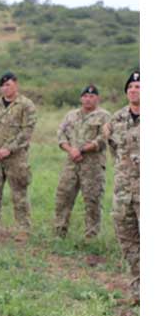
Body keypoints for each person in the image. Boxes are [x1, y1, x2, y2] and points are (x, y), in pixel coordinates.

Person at [0, 71, 37, 242]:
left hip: (16, 158)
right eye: (3, 85)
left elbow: (27, 131)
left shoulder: (26, 105)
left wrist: (9, 149)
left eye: (9, 85)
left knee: (19, 195)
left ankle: (23, 230)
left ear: (16, 85)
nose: (6, 88)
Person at [53, 84, 111, 239]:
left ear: (97, 98)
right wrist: (70, 149)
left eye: (92, 96)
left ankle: (91, 237)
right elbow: (61, 134)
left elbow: (104, 138)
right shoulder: (71, 115)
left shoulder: (104, 116)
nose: (88, 99)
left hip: (93, 166)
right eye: (85, 96)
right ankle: (59, 232)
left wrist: (83, 149)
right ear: (81, 98)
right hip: (71, 163)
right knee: (63, 197)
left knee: (92, 201)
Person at [105, 70, 141, 303]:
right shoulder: (116, 119)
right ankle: (139, 290)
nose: (133, 90)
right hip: (123, 191)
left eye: (138, 86)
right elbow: (115, 152)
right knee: (128, 240)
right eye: (130, 86)